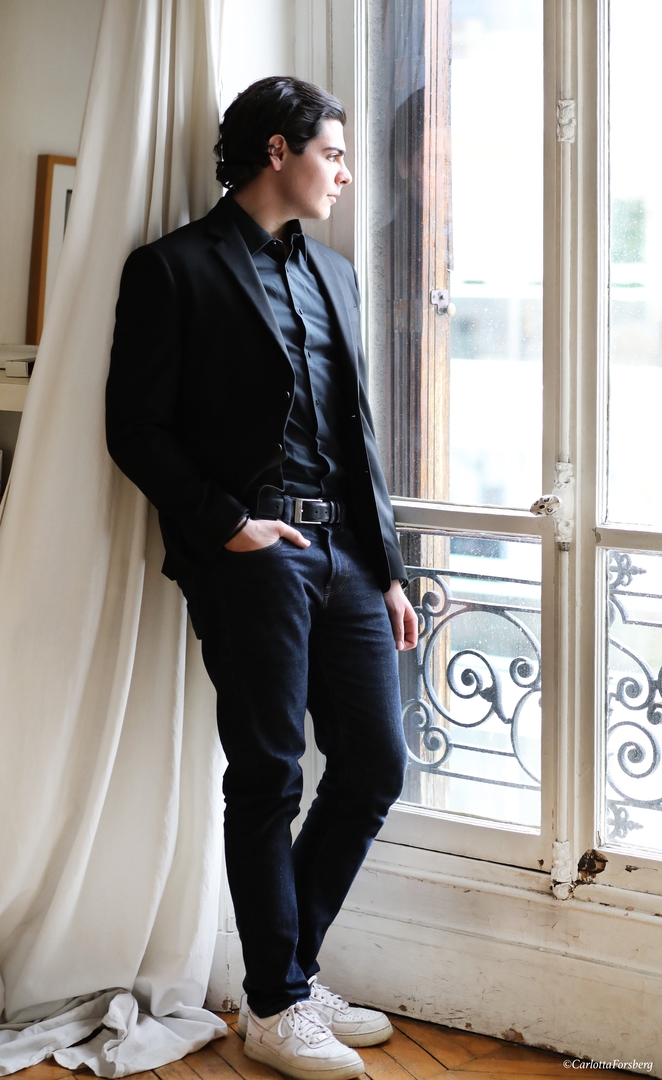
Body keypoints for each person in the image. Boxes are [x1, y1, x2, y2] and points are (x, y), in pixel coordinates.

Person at [105, 76, 418, 1080]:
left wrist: (388, 570)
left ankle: (285, 976)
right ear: (278, 151)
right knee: (270, 775)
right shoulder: (172, 268)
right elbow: (135, 428)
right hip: (254, 558)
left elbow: (357, 433)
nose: (344, 174)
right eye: (333, 153)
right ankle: (278, 1008)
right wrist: (231, 526)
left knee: (374, 765)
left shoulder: (337, 274)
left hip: (348, 558)